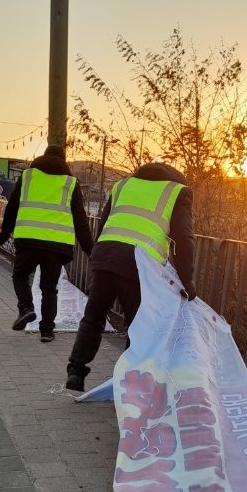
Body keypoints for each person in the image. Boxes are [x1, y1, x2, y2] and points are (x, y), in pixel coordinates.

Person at [65, 161, 196, 391]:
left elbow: (104, 223)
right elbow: (183, 238)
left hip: (105, 255)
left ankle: (76, 370)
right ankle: (129, 386)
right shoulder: (177, 192)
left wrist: (97, 253)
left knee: (93, 316)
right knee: (139, 326)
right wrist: (187, 280)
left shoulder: (123, 185)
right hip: (139, 264)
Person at [0, 145, 93, 343]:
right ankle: (47, 331)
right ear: (63, 160)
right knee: (49, 288)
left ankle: (26, 308)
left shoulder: (28, 176)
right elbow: (80, 218)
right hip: (57, 245)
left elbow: (13, 205)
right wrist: (90, 249)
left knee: (20, 276)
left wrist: (5, 232)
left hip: (28, 240)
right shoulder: (70, 182)